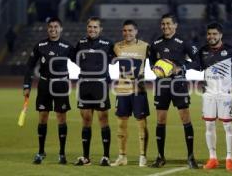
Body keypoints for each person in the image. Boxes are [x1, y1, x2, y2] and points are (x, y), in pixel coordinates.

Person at [149, 13, 200, 169]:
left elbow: (198, 62)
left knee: (185, 118)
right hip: (161, 85)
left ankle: (191, 157)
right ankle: (160, 157)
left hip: (178, 85)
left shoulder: (183, 42)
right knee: (160, 120)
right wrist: (157, 69)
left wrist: (181, 67)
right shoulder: (155, 43)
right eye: (163, 24)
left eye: (169, 24)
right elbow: (151, 62)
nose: (166, 26)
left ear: (175, 25)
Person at [23, 17, 74, 165]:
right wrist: (27, 86)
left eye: (56, 26)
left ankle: (62, 153)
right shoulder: (41, 45)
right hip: (44, 85)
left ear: (61, 29)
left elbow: (80, 61)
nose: (53, 29)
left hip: (61, 86)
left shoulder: (67, 46)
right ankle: (40, 151)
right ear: (48, 29)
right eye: (50, 27)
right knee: (43, 117)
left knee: (61, 118)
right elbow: (29, 66)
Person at [198, 22, 232, 171]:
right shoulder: (202, 51)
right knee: (209, 125)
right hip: (208, 94)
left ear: (220, 35)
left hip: (225, 94)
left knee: (227, 126)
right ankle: (213, 158)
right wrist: (179, 66)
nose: (211, 36)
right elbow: (196, 65)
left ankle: (229, 159)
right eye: (209, 34)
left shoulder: (230, 51)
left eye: (214, 34)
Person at [74, 17, 113, 166]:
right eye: (90, 27)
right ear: (87, 28)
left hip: (100, 86)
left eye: (95, 27)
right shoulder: (81, 43)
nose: (92, 30)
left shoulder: (108, 44)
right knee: (86, 120)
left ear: (100, 29)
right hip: (84, 85)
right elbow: (75, 58)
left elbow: (115, 58)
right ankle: (85, 157)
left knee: (103, 119)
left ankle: (106, 156)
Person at [111, 20, 150, 167]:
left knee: (141, 124)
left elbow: (156, 63)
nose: (127, 33)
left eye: (130, 30)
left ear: (136, 31)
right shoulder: (117, 47)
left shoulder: (145, 47)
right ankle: (122, 156)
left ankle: (143, 156)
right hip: (122, 90)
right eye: (125, 31)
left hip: (138, 91)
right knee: (121, 124)